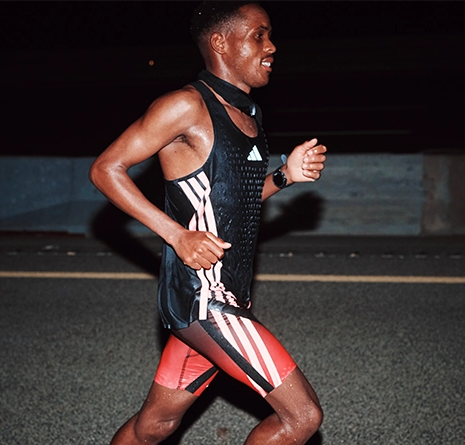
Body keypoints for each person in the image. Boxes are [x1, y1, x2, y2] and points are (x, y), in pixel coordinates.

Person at [89, 1, 327, 443]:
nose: (271, 46)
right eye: (259, 35)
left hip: (228, 294)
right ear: (220, 42)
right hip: (204, 300)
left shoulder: (250, 114)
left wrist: (284, 176)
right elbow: (106, 169)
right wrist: (176, 235)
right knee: (302, 416)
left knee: (155, 425)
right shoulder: (185, 105)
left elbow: (234, 201)